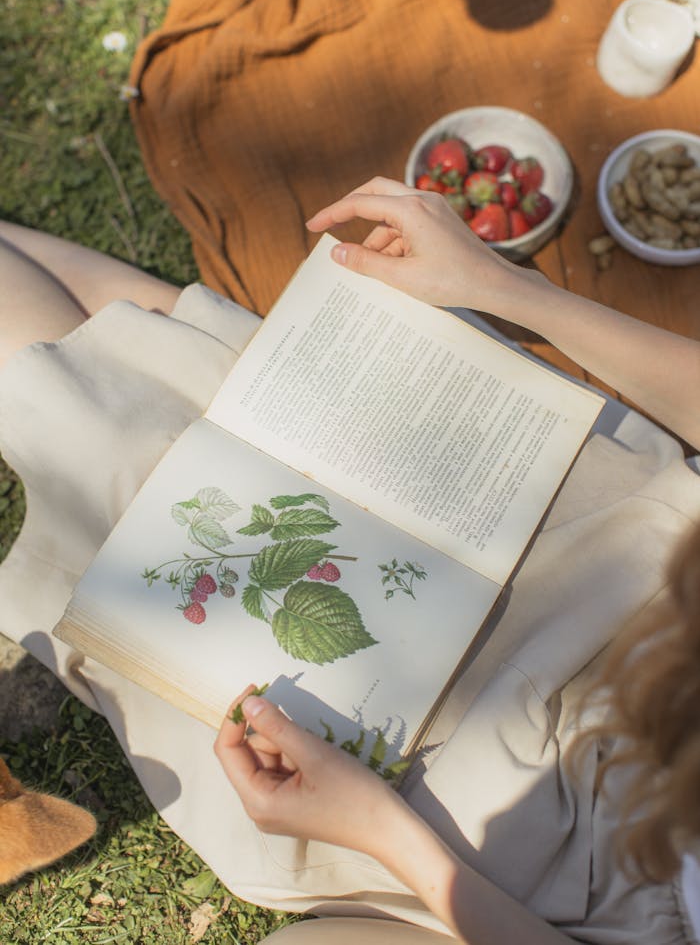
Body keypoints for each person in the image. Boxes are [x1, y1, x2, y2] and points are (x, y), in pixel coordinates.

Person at [0, 179, 699, 944]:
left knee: (128, 465)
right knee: (257, 382)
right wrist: (504, 286)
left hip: (543, 826)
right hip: (652, 565)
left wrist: (379, 830)